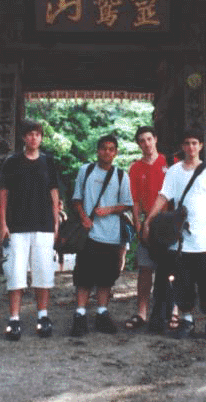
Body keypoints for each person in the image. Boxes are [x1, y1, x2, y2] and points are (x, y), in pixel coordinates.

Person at [144, 129, 206, 342]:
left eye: (194, 143)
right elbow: (163, 196)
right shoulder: (173, 171)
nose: (190, 148)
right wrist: (149, 220)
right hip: (181, 241)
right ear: (182, 147)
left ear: (200, 146)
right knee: (183, 282)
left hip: (205, 238)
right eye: (187, 143)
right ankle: (187, 320)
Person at [0, 119, 61, 341]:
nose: (34, 138)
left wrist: (56, 221)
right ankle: (14, 319)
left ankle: (43, 316)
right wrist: (2, 223)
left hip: (43, 224)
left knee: (43, 271)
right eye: (30, 134)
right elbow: (3, 193)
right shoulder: (12, 162)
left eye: (38, 134)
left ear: (41, 138)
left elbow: (54, 192)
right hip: (16, 225)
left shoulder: (48, 162)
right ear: (24, 138)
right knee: (15, 272)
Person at [69, 134, 134, 336]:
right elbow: (77, 198)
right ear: (97, 150)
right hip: (89, 234)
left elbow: (127, 204)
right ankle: (79, 315)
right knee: (84, 276)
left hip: (112, 235)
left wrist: (110, 210)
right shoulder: (85, 171)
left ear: (115, 153)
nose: (107, 152)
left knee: (106, 277)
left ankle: (102, 313)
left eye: (111, 149)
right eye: (103, 148)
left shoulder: (122, 176)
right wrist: (83, 218)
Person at [125, 125, 173, 332]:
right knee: (145, 269)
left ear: (155, 139)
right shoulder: (135, 167)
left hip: (168, 220)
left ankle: (173, 312)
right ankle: (141, 312)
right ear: (138, 144)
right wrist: (137, 222)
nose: (146, 144)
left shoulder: (170, 163)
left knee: (171, 269)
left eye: (149, 139)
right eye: (141, 141)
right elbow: (134, 199)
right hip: (146, 222)